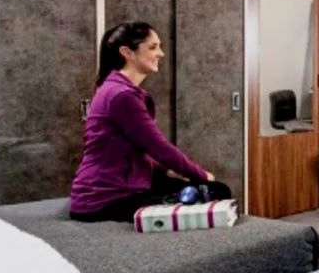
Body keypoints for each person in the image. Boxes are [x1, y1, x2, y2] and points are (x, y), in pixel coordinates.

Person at [69, 21, 231, 222]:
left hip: (124, 185)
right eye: (153, 47)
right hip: (103, 199)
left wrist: (168, 173)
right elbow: (159, 148)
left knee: (215, 190)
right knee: (213, 189)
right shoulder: (121, 96)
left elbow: (139, 150)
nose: (161, 54)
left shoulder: (117, 90)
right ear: (127, 53)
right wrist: (202, 175)